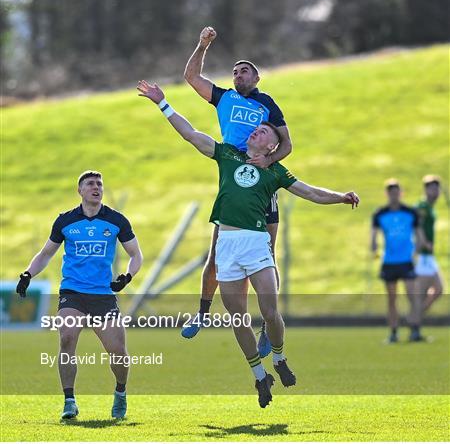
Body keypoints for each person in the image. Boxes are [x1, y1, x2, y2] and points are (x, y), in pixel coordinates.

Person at [137, 80, 359, 408]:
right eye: (257, 129)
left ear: (272, 146)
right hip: (227, 245)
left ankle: (280, 358)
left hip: (256, 245)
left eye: (265, 131)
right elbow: (190, 134)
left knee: (270, 312)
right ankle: (259, 376)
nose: (258, 131)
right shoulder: (227, 154)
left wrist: (341, 197)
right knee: (238, 319)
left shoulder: (275, 171)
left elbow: (310, 192)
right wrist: (162, 102)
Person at [182, 26, 293, 358]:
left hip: (260, 184)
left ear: (256, 78)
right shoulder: (223, 97)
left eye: (245, 70)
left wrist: (268, 161)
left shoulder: (267, 104)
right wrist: (202, 45)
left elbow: (288, 144)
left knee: (267, 258)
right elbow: (191, 76)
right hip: (232, 173)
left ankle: (266, 324)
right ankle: (202, 313)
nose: (238, 74)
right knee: (215, 254)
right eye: (234, 71)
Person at [15, 171, 143, 420]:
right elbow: (45, 254)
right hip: (72, 292)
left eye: (99, 184)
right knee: (67, 339)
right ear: (80, 190)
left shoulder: (117, 220)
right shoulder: (65, 221)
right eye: (90, 184)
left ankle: (120, 393)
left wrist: (126, 278)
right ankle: (69, 401)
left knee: (118, 351)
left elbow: (136, 255)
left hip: (103, 296)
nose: (96, 187)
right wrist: (28, 274)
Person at [371, 179, 424, 343]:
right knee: (392, 298)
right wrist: (374, 246)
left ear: (401, 193)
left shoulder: (410, 212)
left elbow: (419, 235)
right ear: (387, 194)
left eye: (397, 192)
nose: (394, 196)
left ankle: (415, 329)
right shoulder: (380, 214)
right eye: (391, 193)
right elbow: (374, 236)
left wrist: (416, 252)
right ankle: (393, 332)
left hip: (406, 260)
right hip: (389, 261)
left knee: (412, 295)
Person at [414, 175, 444, 337]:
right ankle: (415, 328)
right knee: (422, 293)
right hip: (423, 255)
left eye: (437, 188)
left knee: (439, 289)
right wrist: (424, 242)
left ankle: (414, 318)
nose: (435, 191)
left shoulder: (430, 207)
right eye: (432, 188)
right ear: (425, 190)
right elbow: (416, 225)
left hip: (429, 256)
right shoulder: (423, 206)